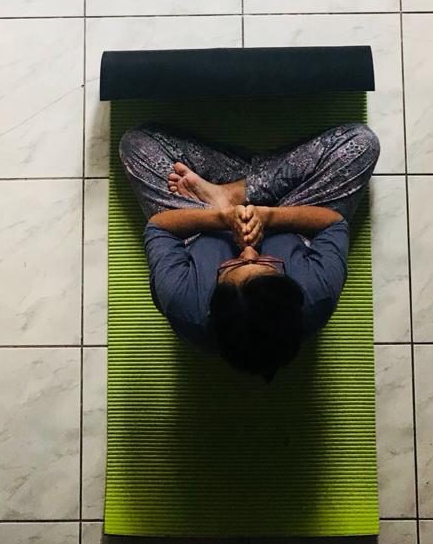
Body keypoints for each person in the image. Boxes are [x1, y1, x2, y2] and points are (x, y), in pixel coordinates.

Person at [119, 122, 380, 382]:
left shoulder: (182, 302)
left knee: (137, 145)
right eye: (267, 262)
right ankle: (245, 188)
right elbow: (333, 223)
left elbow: (159, 227)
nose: (248, 251)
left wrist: (220, 216)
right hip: (291, 213)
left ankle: (230, 193)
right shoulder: (318, 294)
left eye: (232, 266)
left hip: (200, 223)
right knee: (361, 144)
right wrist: (269, 216)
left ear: (212, 304)